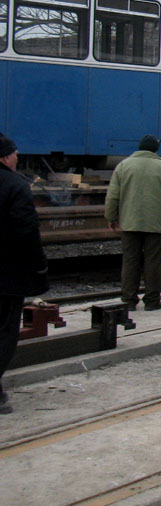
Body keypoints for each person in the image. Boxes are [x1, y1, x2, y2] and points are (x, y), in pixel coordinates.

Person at [0, 133, 48, 414]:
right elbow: (27, 233)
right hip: (7, 277)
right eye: (16, 153)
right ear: (6, 157)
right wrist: (39, 267)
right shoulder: (15, 186)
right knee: (5, 332)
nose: (18, 157)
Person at [104, 135, 161, 311]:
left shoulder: (123, 166)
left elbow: (113, 196)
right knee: (152, 261)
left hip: (129, 223)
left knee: (130, 261)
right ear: (155, 149)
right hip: (156, 223)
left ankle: (128, 300)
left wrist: (111, 217)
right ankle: (152, 301)